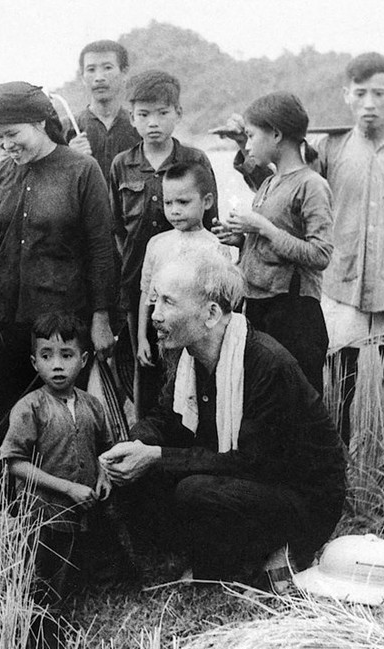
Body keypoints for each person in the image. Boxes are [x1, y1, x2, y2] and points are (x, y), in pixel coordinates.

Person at [227, 53, 384, 444]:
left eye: (379, 93)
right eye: (360, 93)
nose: (369, 103)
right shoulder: (330, 148)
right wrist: (244, 148)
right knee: (337, 391)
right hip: (339, 288)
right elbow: (287, 190)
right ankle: (337, 469)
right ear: (346, 95)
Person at [99, 249, 346, 587]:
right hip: (247, 478)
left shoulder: (267, 364)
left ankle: (263, 558)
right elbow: (163, 419)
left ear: (211, 314)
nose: (155, 315)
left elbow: (250, 461)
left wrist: (156, 456)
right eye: (155, 302)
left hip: (302, 498)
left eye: (168, 303)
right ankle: (182, 560)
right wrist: (132, 446)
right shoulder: (190, 356)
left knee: (193, 490)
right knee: (142, 472)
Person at [0, 81, 117, 426]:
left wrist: (101, 318)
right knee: (11, 418)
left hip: (61, 322)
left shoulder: (82, 171)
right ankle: (12, 482)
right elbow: (5, 242)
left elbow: (102, 251)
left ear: (39, 123)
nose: (5, 145)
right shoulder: (0, 173)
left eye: (11, 134)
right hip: (5, 318)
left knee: (61, 422)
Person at [0, 312, 112, 649]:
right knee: (44, 582)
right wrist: (68, 488)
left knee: (84, 569)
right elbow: (15, 464)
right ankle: (43, 634)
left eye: (67, 355)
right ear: (34, 362)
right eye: (47, 356)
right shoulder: (29, 408)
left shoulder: (93, 405)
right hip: (45, 516)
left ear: (84, 359)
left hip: (84, 512)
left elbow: (105, 450)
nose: (57, 365)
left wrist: (104, 475)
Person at [110, 70, 219, 416]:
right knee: (146, 371)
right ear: (132, 118)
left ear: (178, 114)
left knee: (194, 369)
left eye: (162, 113)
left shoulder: (195, 161)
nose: (152, 123)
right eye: (143, 115)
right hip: (140, 289)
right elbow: (115, 228)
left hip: (191, 289)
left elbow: (210, 221)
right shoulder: (121, 164)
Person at [218, 92, 333, 394]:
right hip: (259, 307)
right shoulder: (270, 182)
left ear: (277, 134)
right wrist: (242, 239)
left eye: (253, 135)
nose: (250, 143)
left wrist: (263, 227)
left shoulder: (312, 185)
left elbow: (320, 254)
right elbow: (271, 239)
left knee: (299, 406)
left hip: (294, 314)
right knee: (264, 403)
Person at [137, 161, 229, 410]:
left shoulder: (215, 246)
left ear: (207, 201)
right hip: (162, 334)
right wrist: (142, 339)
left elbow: (220, 304)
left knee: (195, 394)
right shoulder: (158, 244)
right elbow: (147, 293)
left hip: (198, 336)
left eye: (183, 202)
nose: (174, 210)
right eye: (169, 203)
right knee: (160, 393)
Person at [65, 39, 141, 176]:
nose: (99, 78)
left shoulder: (140, 126)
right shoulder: (65, 128)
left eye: (107, 68)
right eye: (91, 70)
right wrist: (68, 159)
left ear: (124, 72)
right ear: (83, 77)